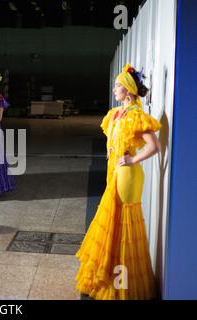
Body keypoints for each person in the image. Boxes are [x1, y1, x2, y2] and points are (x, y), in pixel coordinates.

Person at [75, 64, 162, 300]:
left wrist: (132, 159)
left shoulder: (135, 115)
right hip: (114, 172)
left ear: (129, 90)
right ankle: (114, 280)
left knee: (123, 225)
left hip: (127, 176)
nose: (114, 89)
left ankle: (122, 286)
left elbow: (155, 147)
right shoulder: (115, 114)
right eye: (115, 85)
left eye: (118, 86)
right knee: (114, 224)